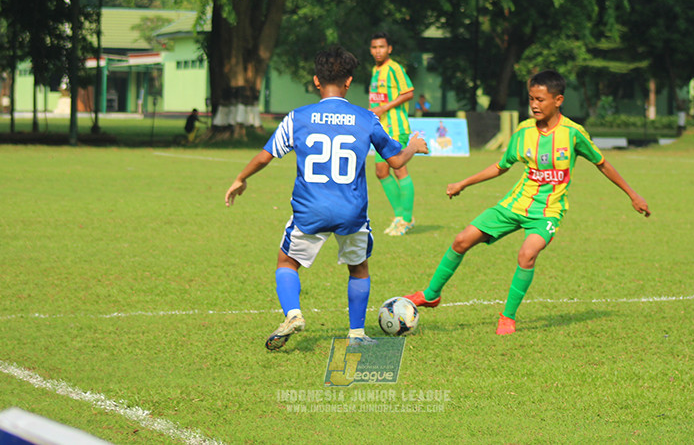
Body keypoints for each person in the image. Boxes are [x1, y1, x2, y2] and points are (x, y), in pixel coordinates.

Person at [405, 69, 650, 335]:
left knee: (527, 253)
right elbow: (501, 166)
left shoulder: (573, 134)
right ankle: (431, 294)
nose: (534, 104)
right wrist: (464, 183)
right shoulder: (523, 132)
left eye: (540, 99)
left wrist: (632, 194)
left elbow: (602, 164)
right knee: (461, 240)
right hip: (514, 205)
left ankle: (507, 317)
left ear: (558, 100)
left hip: (547, 213)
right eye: (531, 98)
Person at [225, 46, 428, 350]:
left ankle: (293, 313)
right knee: (358, 268)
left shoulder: (298, 117)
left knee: (287, 261)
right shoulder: (366, 118)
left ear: (316, 81)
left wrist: (241, 178)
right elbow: (397, 161)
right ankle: (357, 334)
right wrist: (414, 146)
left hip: (311, 209)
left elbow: (265, 156)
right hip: (351, 211)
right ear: (349, 82)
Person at [368, 32, 417, 236]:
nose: (378, 51)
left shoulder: (395, 68)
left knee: (399, 170)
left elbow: (408, 93)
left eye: (381, 47)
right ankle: (399, 216)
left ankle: (405, 219)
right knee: (381, 172)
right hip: (381, 129)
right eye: (374, 47)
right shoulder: (375, 70)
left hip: (396, 128)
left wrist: (384, 108)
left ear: (389, 49)